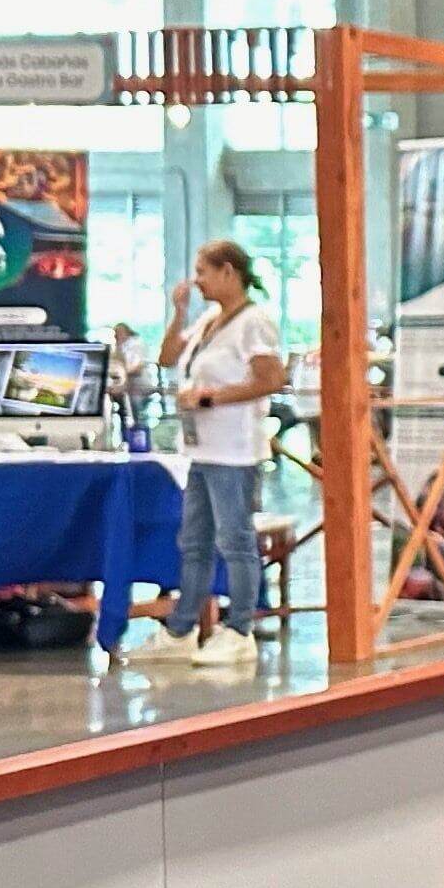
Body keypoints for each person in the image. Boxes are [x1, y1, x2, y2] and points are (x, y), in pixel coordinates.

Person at [159, 241, 283, 667]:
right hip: (200, 449)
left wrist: (212, 398)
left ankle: (240, 628)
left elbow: (271, 379)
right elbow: (167, 357)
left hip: (234, 452)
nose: (197, 279)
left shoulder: (255, 322)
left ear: (228, 272)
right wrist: (178, 312)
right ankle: (182, 627)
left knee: (236, 540)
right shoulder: (210, 319)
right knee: (193, 542)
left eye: (203, 271)